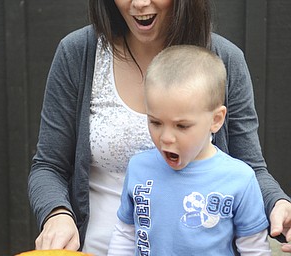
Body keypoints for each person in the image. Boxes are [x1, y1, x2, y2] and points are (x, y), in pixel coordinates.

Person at [28, 0, 291, 255]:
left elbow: (250, 169)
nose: (140, 3)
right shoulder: (78, 53)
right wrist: (57, 213)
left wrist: (279, 203)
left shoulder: (225, 60)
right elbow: (48, 166)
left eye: (182, 125)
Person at [107, 44, 271, 255]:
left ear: (216, 120)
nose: (166, 137)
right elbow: (125, 234)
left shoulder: (239, 179)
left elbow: (254, 248)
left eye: (181, 126)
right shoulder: (139, 167)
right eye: (155, 122)